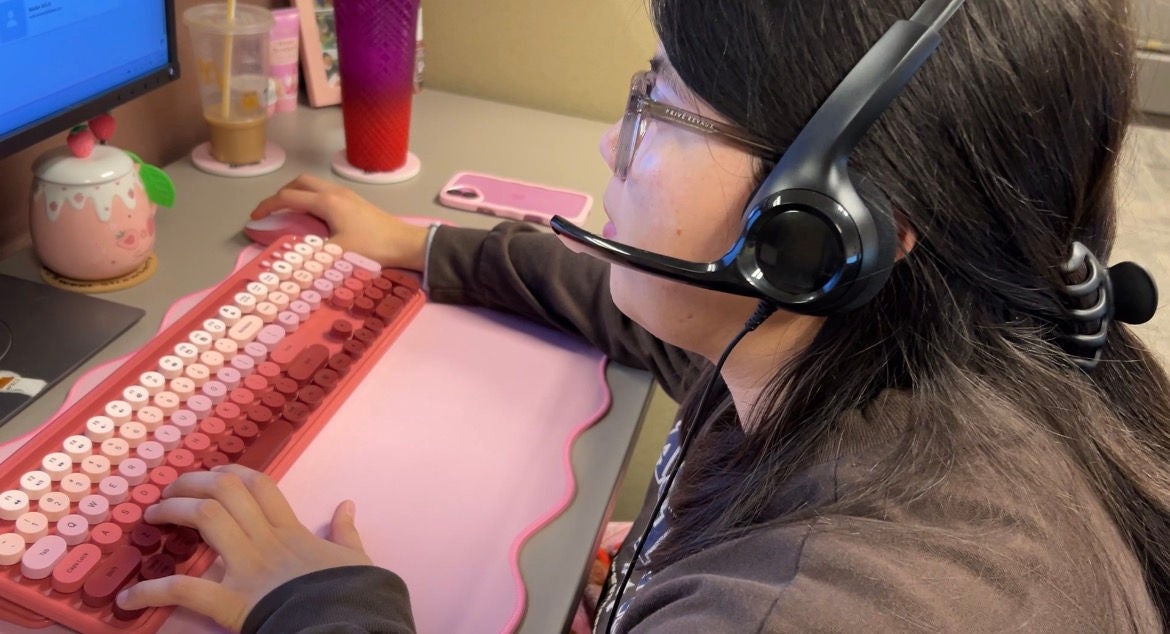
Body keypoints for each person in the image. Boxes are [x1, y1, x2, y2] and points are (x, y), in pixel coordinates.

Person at [116, 0, 1170, 631]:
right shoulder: (891, 344)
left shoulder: (815, 611)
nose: (613, 148)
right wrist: (418, 246)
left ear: (813, 230)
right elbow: (638, 302)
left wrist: (327, 605)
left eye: (657, 105)